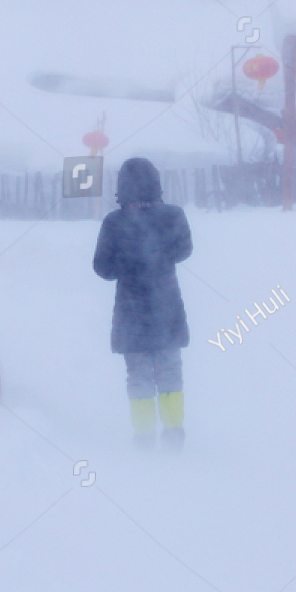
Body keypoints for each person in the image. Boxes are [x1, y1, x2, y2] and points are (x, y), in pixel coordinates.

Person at [93, 157, 193, 449]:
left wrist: (129, 260)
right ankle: (174, 432)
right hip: (167, 309)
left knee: (138, 378)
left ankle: (144, 437)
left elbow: (102, 268)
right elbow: (184, 250)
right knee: (170, 372)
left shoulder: (114, 223)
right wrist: (156, 256)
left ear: (121, 187)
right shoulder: (173, 216)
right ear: (156, 183)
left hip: (130, 313)